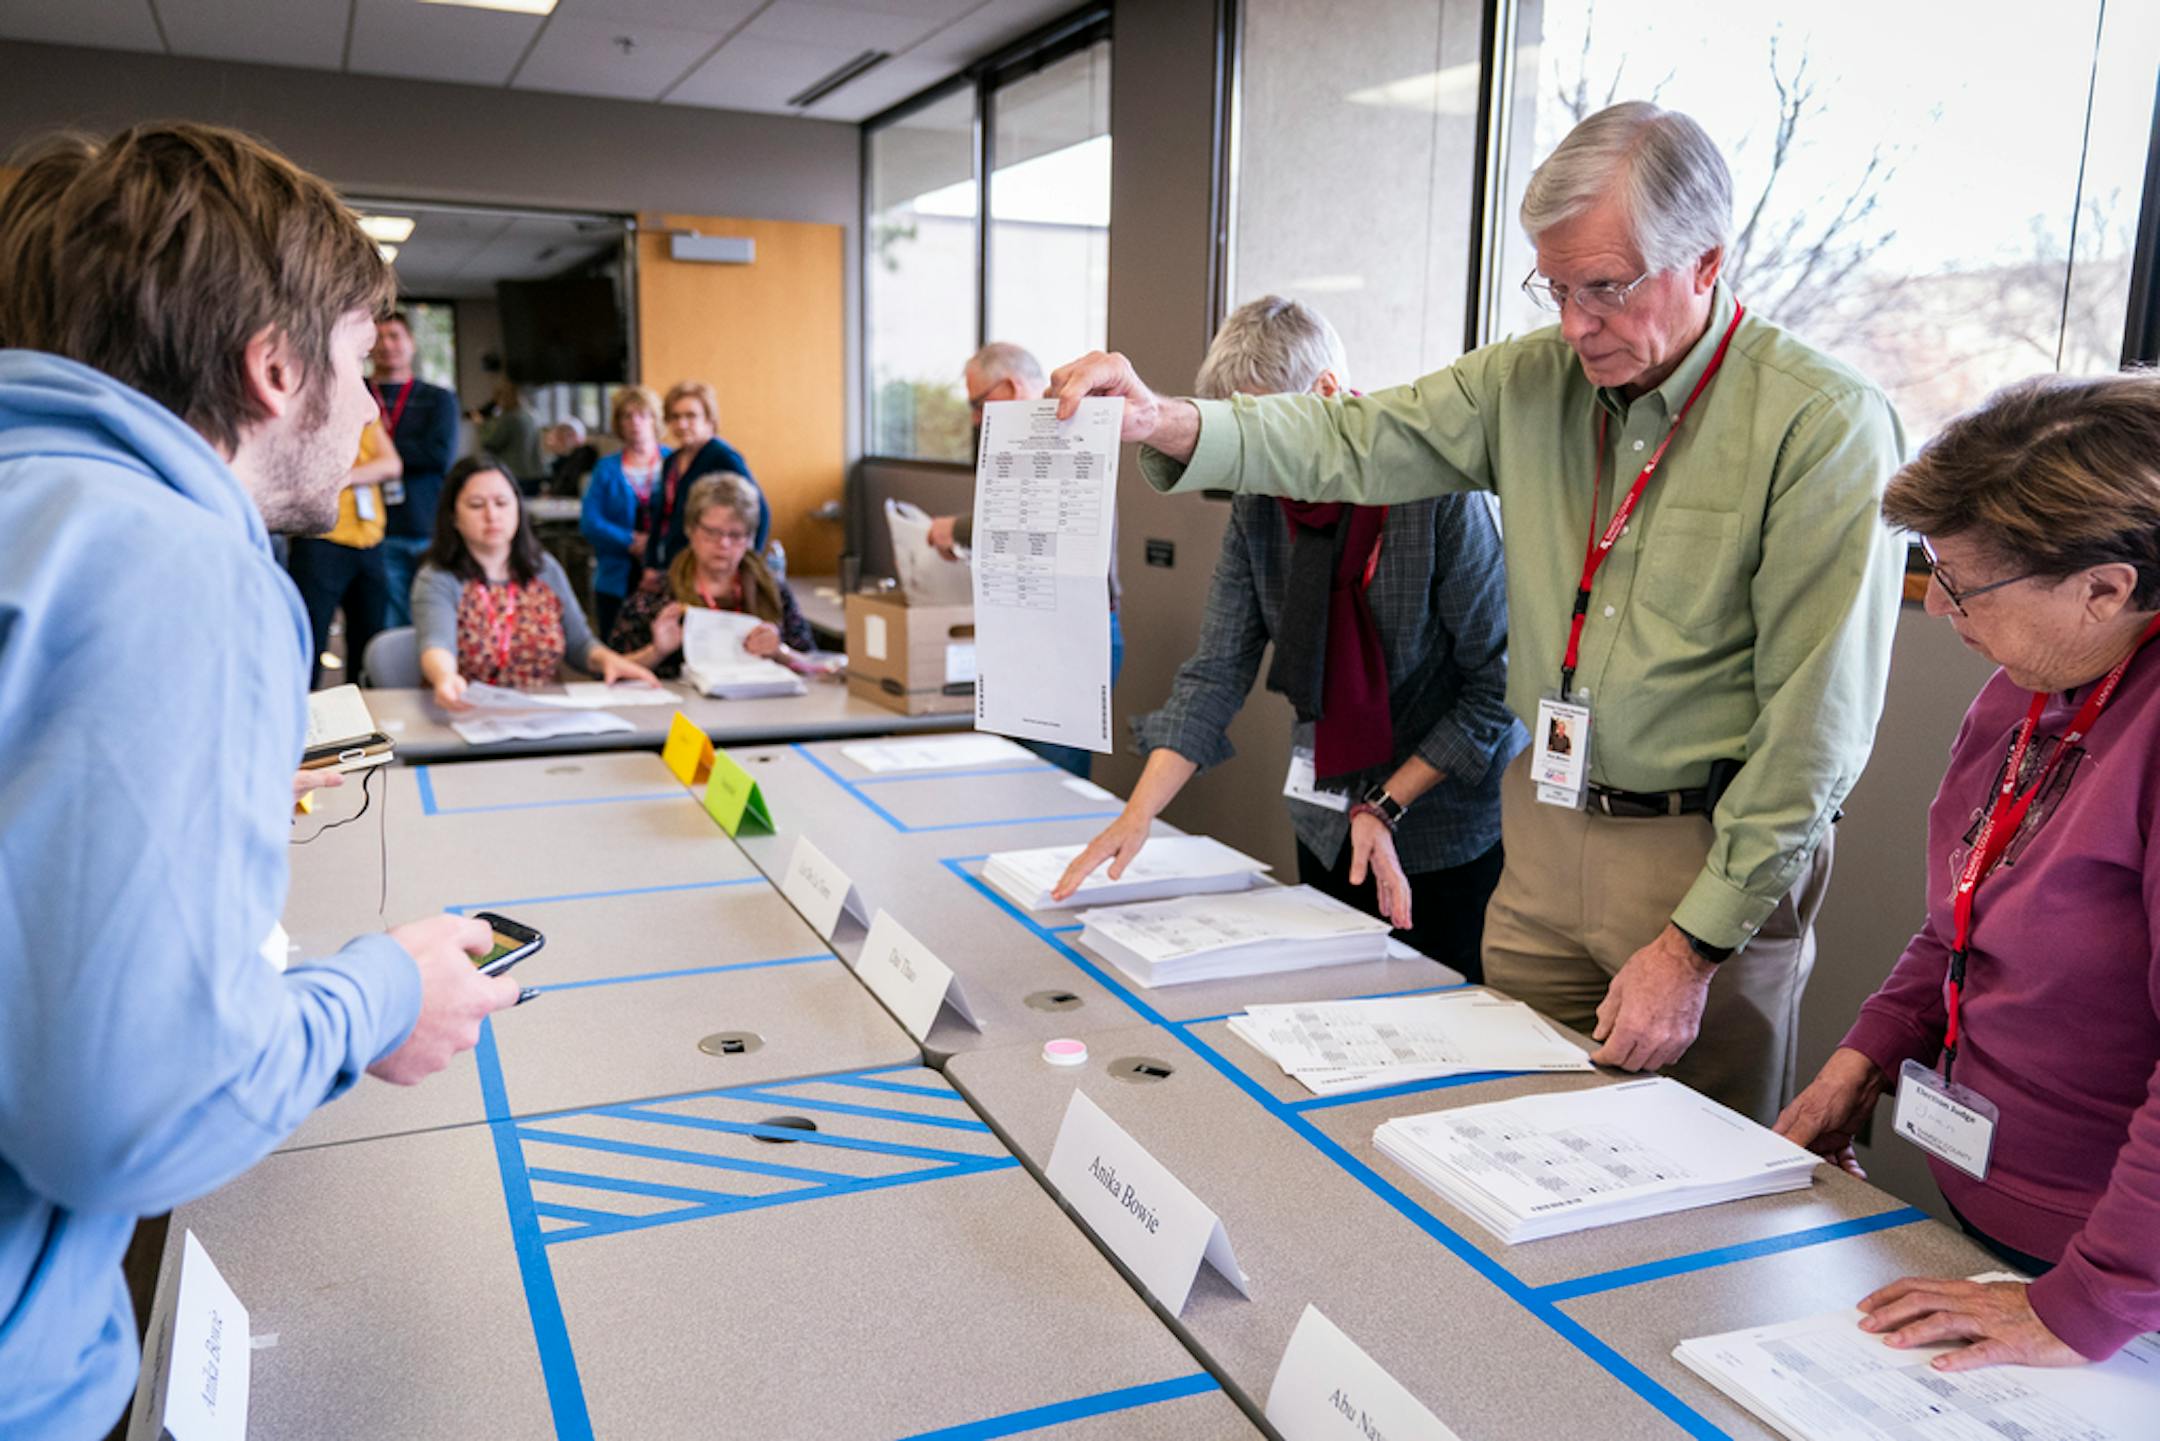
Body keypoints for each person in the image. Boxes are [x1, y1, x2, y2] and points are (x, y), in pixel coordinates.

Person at [1050, 101, 1906, 1123]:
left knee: (1687, 1161)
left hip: (1699, 854)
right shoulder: (1529, 382)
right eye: (1556, 287)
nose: (1576, 323)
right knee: (1494, 1126)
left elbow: (1817, 732)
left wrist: (1693, 947)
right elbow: (1355, 440)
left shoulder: (1821, 423)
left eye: (1608, 287)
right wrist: (1166, 419)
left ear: (1709, 261)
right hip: (1544, 832)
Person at [0, 121, 521, 1441]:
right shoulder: (176, 564)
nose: (368, 421)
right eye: (354, 366)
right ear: (274, 366)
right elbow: (128, 1118)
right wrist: (384, 992)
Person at [1774, 373, 2160, 1370]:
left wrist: (2085, 1307)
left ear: (2106, 586)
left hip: (2117, 1279)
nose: (1940, 606)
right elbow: (1965, 918)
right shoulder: (2024, 692)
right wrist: (1866, 1056)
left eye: (1963, 583)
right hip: (1993, 1207)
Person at [1054, 297, 1522, 978]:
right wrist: (1137, 815)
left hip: (1442, 828)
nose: (1257, 465)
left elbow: (1498, 686)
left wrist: (1388, 803)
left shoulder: (1437, 494)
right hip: (1327, 815)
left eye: (1265, 436)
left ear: (1326, 394)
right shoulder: (1261, 505)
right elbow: (1216, 671)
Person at [928, 341, 1126, 779]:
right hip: (1026, 631)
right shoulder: (1023, 438)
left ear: (1014, 385)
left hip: (1072, 635)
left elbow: (1037, 523)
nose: (977, 418)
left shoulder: (1067, 429)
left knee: (1050, 782)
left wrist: (957, 530)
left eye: (979, 403)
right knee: (1009, 775)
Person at [413, 455, 656, 710]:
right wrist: (444, 677)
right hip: (467, 715)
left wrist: (608, 660)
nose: (492, 515)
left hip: (542, 716)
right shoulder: (438, 577)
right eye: (476, 505)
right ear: (453, 517)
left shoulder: (543, 568)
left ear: (518, 508)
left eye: (502, 503)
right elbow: (437, 644)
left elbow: (580, 644)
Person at [610, 473, 813, 676]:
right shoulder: (657, 594)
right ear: (690, 529)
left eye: (735, 535)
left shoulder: (772, 590)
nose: (723, 544)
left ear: (750, 538)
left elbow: (815, 664)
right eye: (711, 532)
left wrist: (780, 652)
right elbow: (609, 670)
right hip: (680, 706)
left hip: (761, 703)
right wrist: (656, 651)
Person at [287, 416, 397, 687]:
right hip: (320, 539)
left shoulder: (364, 413)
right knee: (309, 642)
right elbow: (307, 471)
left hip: (369, 540)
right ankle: (304, 723)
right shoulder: (304, 412)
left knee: (369, 643)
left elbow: (392, 464)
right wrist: (367, 470)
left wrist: (343, 477)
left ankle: (364, 722)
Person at [370, 310, 460, 625]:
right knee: (388, 620)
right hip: (373, 528)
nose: (387, 345)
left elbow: (438, 456)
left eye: (395, 336)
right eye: (378, 337)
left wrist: (379, 453)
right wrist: (410, 451)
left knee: (433, 616)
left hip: (425, 525)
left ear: (411, 343)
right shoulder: (357, 395)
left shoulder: (439, 399)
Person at [646, 379, 766, 575]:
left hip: (711, 570)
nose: (682, 424)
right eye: (675, 417)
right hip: (675, 564)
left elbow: (760, 511)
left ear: (709, 419)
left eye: (690, 416)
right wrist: (650, 563)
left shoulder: (722, 457)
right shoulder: (671, 461)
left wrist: (748, 565)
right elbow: (662, 517)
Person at [581, 384, 670, 640]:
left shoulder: (673, 462)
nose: (635, 423)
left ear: (655, 419)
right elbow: (591, 521)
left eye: (643, 415)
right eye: (627, 416)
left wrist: (654, 544)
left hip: (666, 572)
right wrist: (630, 541)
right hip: (616, 575)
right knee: (615, 643)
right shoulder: (606, 468)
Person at [478, 380, 546, 488]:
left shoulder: (510, 418)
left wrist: (482, 424)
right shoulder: (532, 415)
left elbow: (490, 442)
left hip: (515, 473)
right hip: (535, 473)